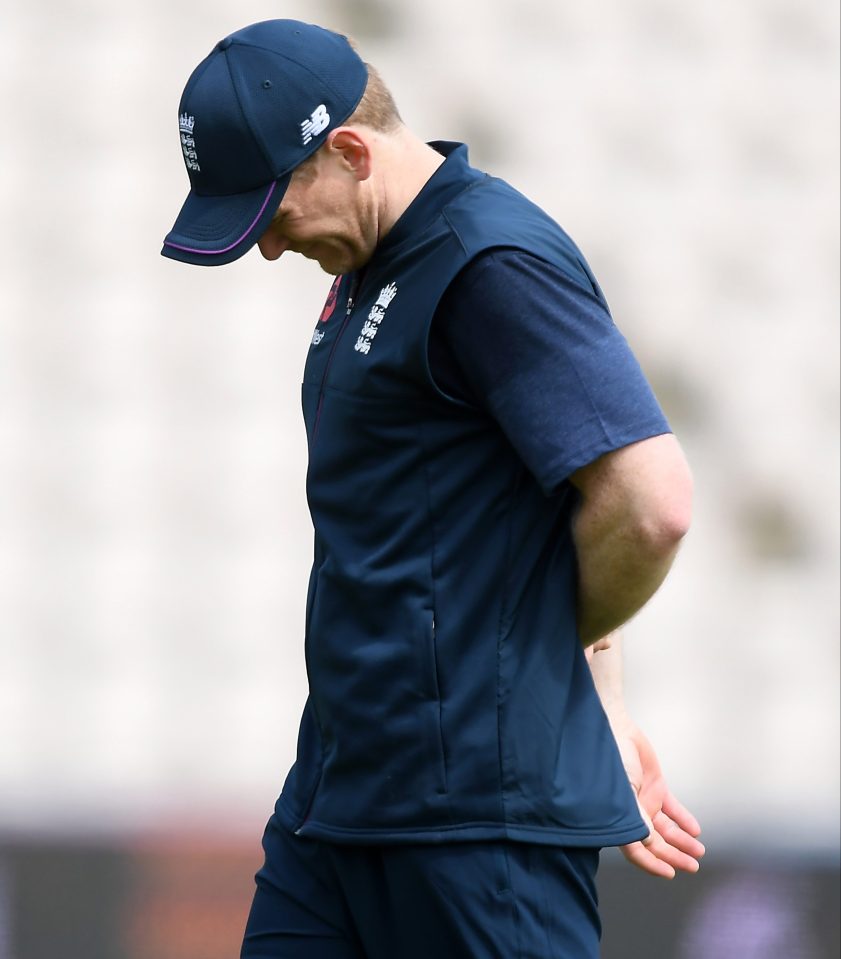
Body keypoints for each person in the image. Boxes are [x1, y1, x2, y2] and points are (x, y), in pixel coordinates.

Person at [162, 19, 705, 958]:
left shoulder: (489, 263)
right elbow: (554, 494)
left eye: (271, 211)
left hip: (471, 828)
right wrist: (598, 688)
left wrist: (555, 659)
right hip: (336, 805)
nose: (267, 251)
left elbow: (649, 502)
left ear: (348, 151)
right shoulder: (375, 255)